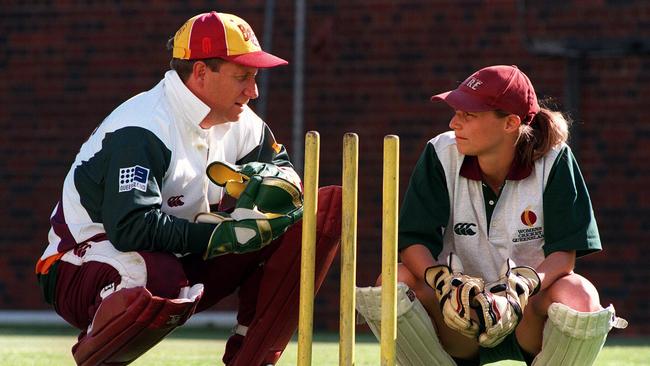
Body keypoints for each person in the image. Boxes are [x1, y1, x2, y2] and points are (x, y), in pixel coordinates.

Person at [35, 11, 342, 366]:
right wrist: (220, 235)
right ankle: (99, 356)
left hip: (177, 262)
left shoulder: (239, 119)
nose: (253, 91)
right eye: (242, 76)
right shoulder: (143, 127)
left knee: (320, 212)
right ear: (199, 73)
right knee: (153, 275)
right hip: (79, 264)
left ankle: (252, 359)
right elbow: (130, 228)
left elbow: (287, 176)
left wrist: (280, 186)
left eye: (254, 77)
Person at [356, 65, 626, 366]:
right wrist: (443, 283)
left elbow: (564, 255)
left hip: (528, 314)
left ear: (510, 123)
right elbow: (413, 243)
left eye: (467, 115)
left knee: (580, 295)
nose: (453, 123)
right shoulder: (440, 152)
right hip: (457, 315)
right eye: (456, 112)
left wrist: (517, 290)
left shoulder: (555, 158)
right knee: (395, 281)